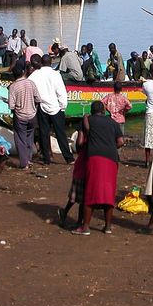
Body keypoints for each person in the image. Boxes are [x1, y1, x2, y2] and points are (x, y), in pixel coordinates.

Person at [72, 101, 124, 236]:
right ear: (104, 111)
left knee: (90, 191)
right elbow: (120, 142)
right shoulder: (113, 122)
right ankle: (108, 227)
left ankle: (85, 227)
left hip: (94, 157)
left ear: (92, 110)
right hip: (112, 159)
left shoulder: (87, 121)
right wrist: (110, 147)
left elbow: (80, 142)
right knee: (109, 192)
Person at [29, 54, 75, 164]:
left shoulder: (35, 75)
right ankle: (68, 158)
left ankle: (47, 158)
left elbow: (29, 84)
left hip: (42, 106)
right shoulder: (55, 74)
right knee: (60, 133)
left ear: (41, 62)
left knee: (44, 134)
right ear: (50, 62)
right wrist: (63, 106)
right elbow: (61, 92)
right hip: (56, 107)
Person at [8, 64, 41, 171]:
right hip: (32, 115)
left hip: (20, 116)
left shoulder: (13, 87)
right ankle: (29, 158)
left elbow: (11, 105)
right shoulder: (31, 83)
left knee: (20, 140)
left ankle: (24, 163)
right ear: (23, 72)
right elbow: (38, 99)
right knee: (29, 138)